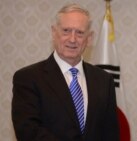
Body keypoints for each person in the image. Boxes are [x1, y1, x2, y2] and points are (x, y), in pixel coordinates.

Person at [12, 3, 120, 141]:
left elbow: (111, 133)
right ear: (54, 32)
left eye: (80, 33)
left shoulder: (104, 80)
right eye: (66, 31)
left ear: (89, 38)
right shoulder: (28, 78)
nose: (72, 39)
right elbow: (28, 131)